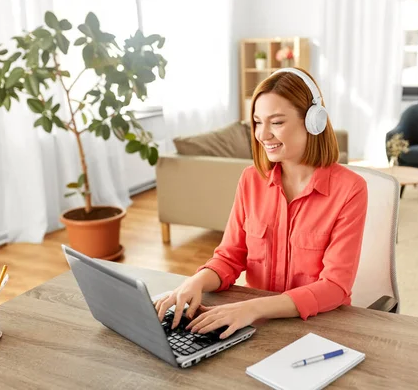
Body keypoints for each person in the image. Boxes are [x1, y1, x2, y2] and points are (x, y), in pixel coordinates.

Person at [154, 67, 368, 340]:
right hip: (255, 326)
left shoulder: (350, 189)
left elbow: (335, 286)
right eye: (257, 122)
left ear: (314, 121)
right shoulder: (250, 180)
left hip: (318, 327)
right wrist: (195, 282)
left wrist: (251, 309)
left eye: (276, 122)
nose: (262, 135)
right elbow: (229, 257)